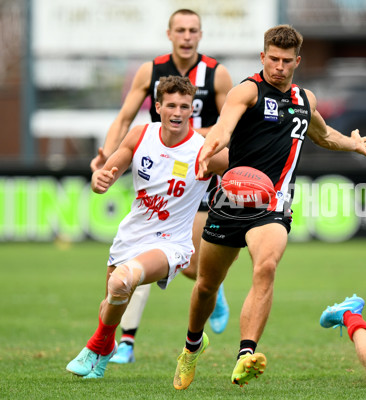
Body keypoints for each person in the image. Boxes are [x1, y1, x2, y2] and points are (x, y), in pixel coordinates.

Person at [171, 24, 366, 389]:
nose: (278, 67)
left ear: (297, 61)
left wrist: (353, 144)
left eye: (286, 61)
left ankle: (245, 355)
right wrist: (207, 152)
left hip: (273, 204)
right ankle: (191, 347)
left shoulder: (304, 99)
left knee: (265, 266)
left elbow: (324, 134)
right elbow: (222, 130)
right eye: (273, 59)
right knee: (205, 286)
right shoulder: (246, 90)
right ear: (263, 57)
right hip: (230, 199)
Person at [90, 9, 234, 364]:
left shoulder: (216, 73)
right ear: (169, 33)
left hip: (200, 173)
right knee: (135, 260)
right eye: (180, 30)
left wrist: (194, 139)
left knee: (189, 265)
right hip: (159, 168)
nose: (186, 36)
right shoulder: (150, 70)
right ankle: (124, 342)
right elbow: (125, 116)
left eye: (193, 31)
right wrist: (107, 157)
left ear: (200, 35)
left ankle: (212, 290)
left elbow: (231, 125)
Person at [66, 76, 229, 380]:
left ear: (191, 109)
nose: (178, 111)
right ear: (158, 107)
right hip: (132, 235)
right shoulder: (140, 135)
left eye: (184, 106)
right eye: (171, 105)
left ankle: (96, 345)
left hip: (172, 244)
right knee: (110, 306)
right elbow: (106, 176)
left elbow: (243, 170)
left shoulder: (203, 151)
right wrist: (98, 181)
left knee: (121, 283)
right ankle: (102, 358)